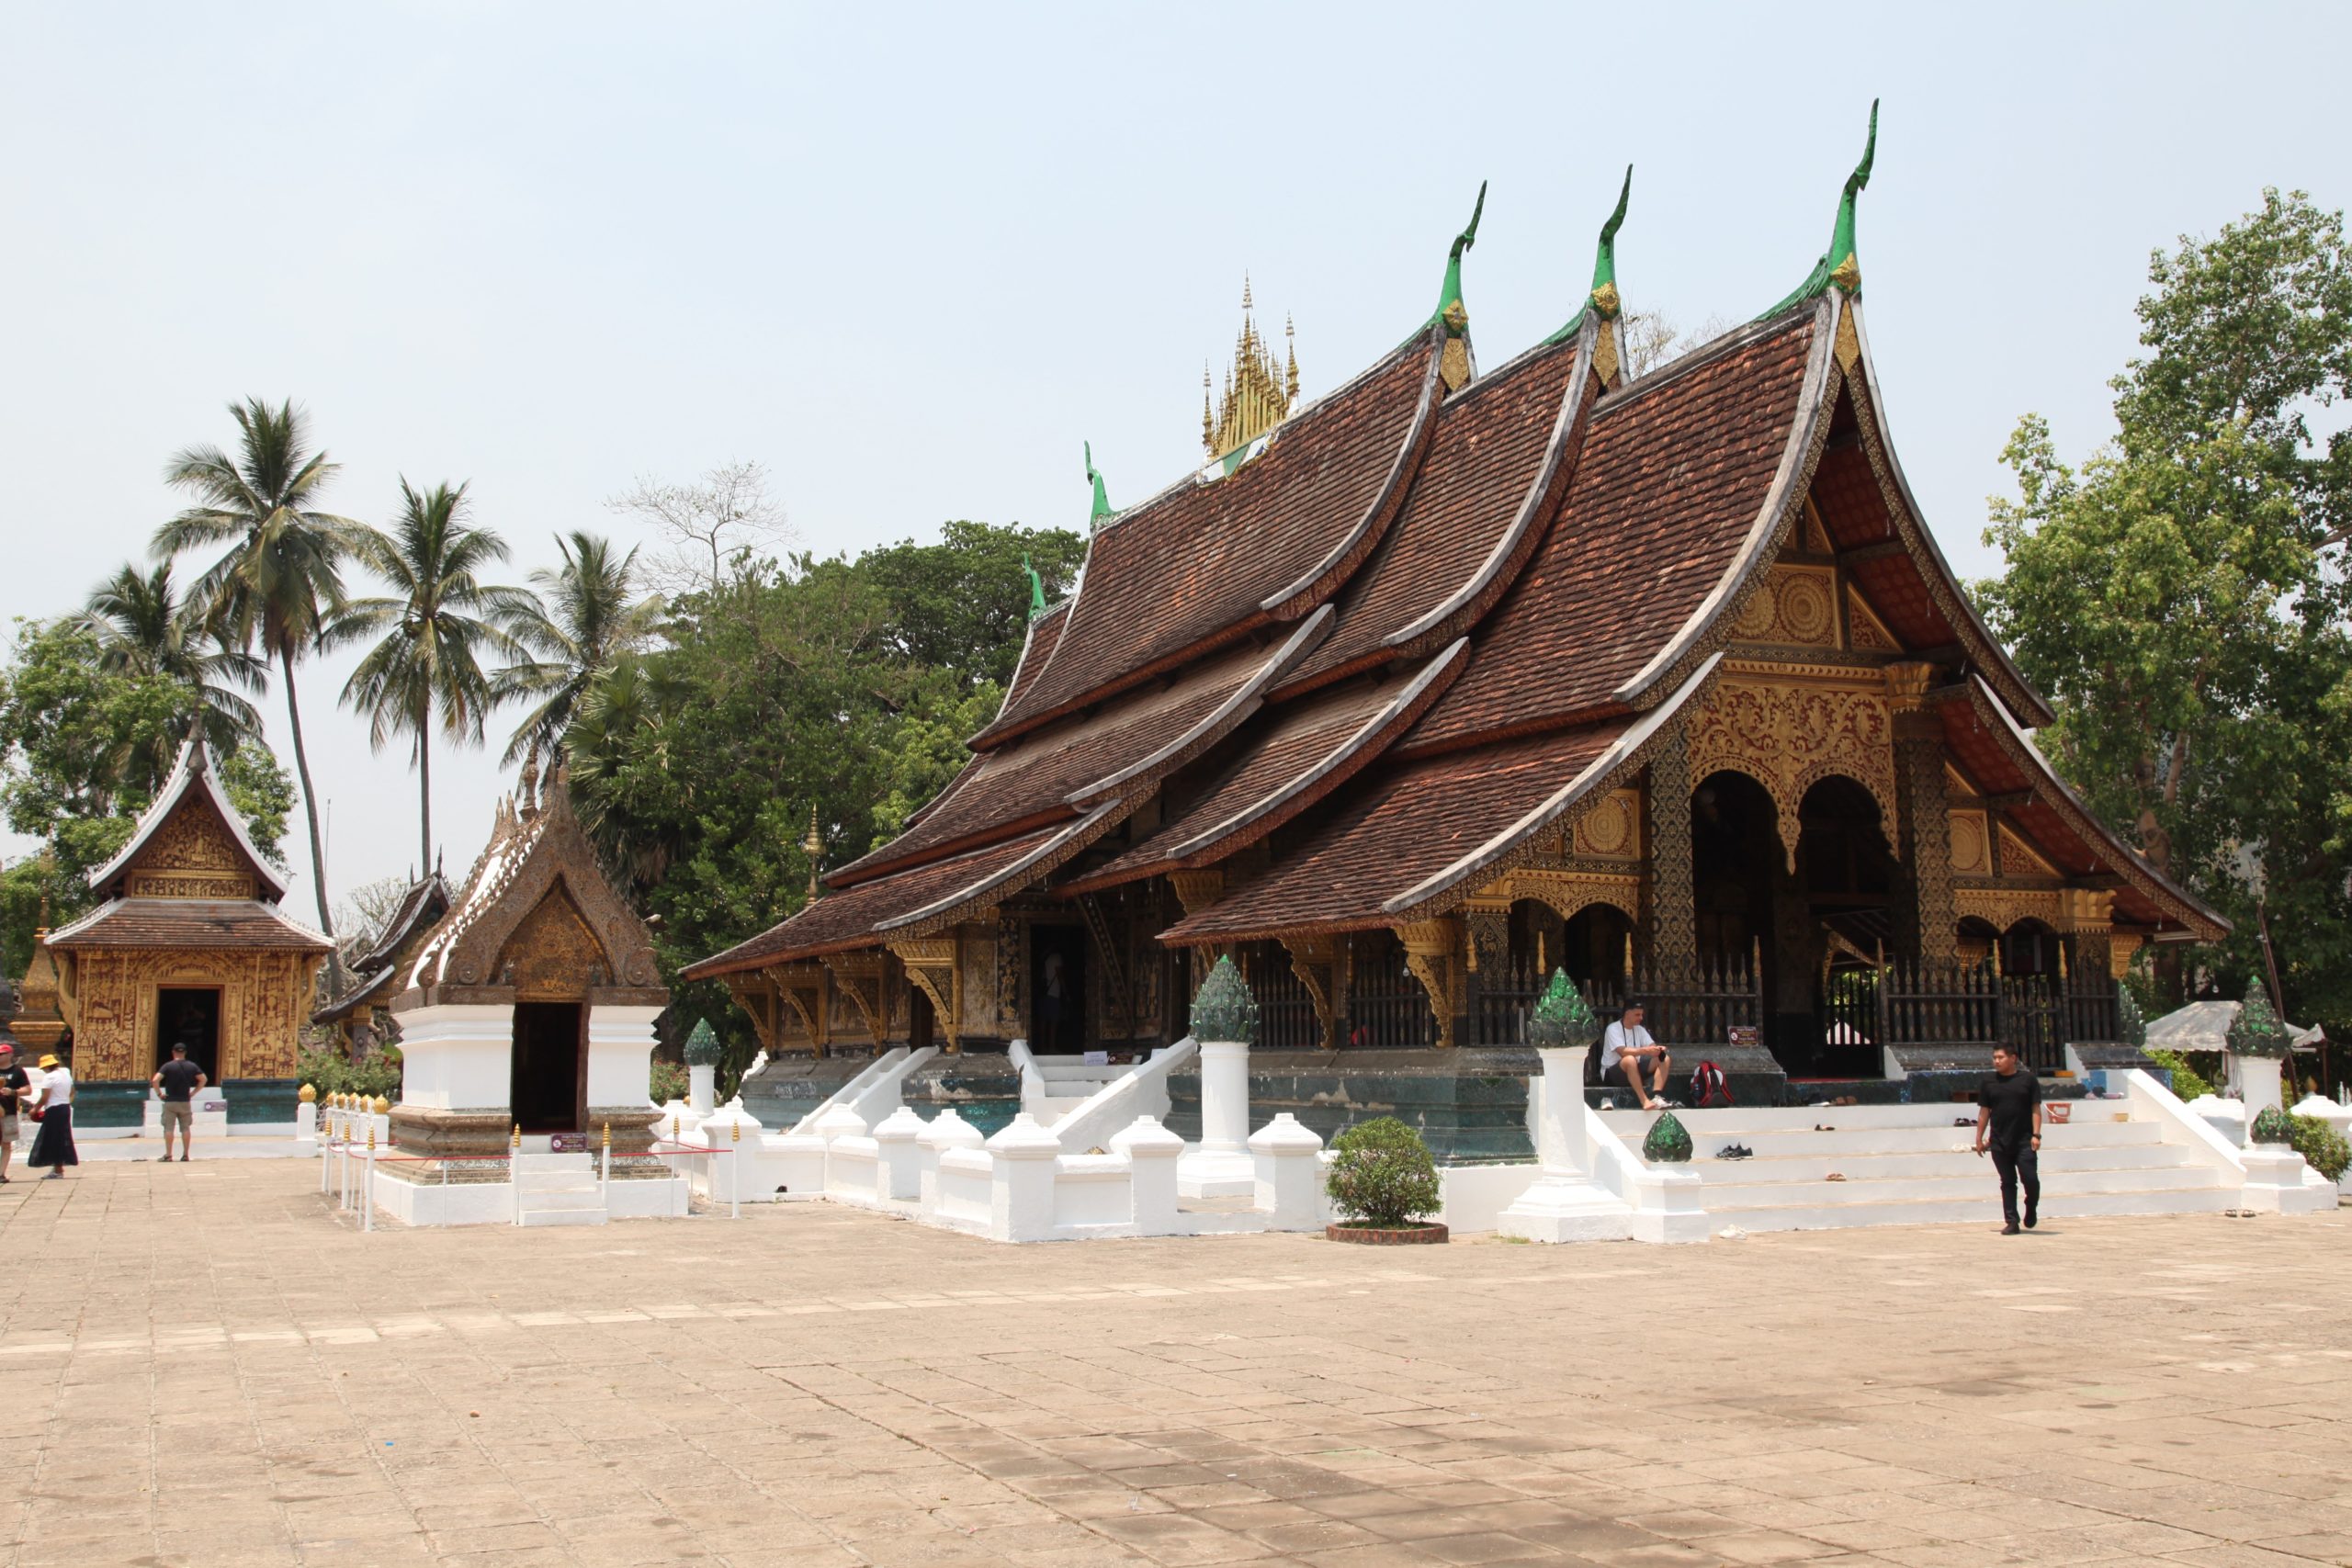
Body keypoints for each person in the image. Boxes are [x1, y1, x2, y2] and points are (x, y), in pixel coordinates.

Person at [1973, 1043, 2042, 1235]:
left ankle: (2031, 1205)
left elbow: (2035, 1108)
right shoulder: (1989, 1082)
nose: (1996, 1061)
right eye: (1994, 1057)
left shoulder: (2027, 1079)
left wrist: (2037, 1134)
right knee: (2007, 1182)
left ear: (2013, 1058)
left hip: (2025, 1140)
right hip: (1999, 1140)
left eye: (2001, 1057)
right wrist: (1979, 1138)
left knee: (2030, 1178)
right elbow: (1984, 1111)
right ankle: (2012, 1221)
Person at [1600, 1000, 1673, 1111]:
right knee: (1629, 1059)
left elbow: (1651, 1045)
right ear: (1627, 1013)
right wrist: (1645, 1051)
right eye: (1637, 1015)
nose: (1641, 1018)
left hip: (1634, 1070)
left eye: (1642, 1014)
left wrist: (1657, 1050)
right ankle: (1644, 1101)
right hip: (1612, 1074)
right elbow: (1622, 1052)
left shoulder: (1640, 1029)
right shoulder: (1613, 1028)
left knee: (1664, 1058)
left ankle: (1656, 1097)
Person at [152, 1042, 207, 1162]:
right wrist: (193, 1093)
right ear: (185, 1053)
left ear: (173, 1052)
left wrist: (159, 1094)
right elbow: (203, 1079)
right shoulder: (192, 1066)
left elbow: (155, 1080)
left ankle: (168, 1155)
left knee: (168, 1128)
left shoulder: (168, 1066)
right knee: (185, 1128)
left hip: (170, 1101)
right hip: (185, 1101)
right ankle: (186, 1154)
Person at [26, 1054, 76, 1179]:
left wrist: (35, 1109)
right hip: (64, 1107)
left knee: (54, 1139)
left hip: (54, 1109)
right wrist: (66, 1101)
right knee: (60, 1137)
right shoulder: (65, 1075)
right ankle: (57, 1167)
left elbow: (45, 1097)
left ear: (47, 1067)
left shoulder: (49, 1077)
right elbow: (72, 1092)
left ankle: (58, 1170)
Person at [0, 1043, 24, 1183]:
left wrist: (13, 1092)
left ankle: (1, 1173)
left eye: (2, 1054)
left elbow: (28, 1090)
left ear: (10, 1055)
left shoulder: (17, 1071)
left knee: (6, 1143)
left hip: (8, 1111)